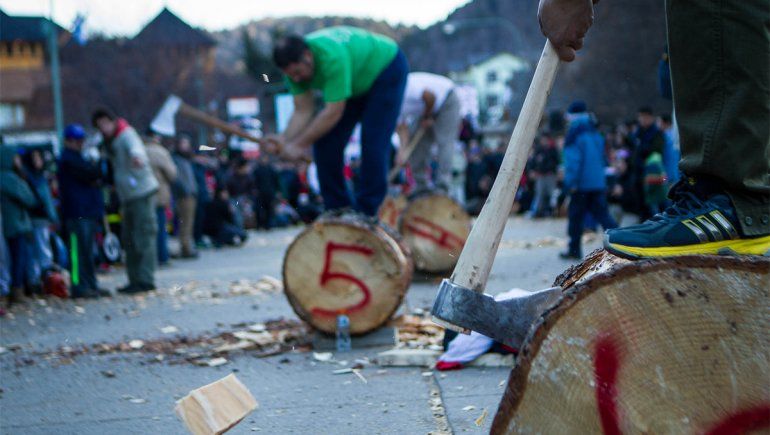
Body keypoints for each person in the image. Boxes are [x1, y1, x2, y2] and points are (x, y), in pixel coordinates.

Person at [539, 0, 770, 259]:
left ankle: (733, 203)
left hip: (611, 181)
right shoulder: (592, 134)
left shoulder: (581, 136)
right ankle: (729, 197)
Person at [269, 26, 409, 216]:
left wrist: (299, 144)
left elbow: (333, 113)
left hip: (386, 70)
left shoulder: (332, 57)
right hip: (354, 83)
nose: (296, 78)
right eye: (290, 75)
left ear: (307, 56)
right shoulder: (293, 73)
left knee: (373, 142)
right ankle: (337, 208)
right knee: (326, 142)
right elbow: (303, 110)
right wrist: (284, 139)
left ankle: (368, 211)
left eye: (298, 72)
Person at [92, 108, 159, 293]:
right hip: (127, 195)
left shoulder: (126, 134)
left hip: (140, 192)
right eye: (100, 126)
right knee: (129, 238)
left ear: (112, 121)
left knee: (143, 236)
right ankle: (135, 279)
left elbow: (136, 148)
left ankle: (145, 279)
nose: (104, 128)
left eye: (105, 123)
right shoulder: (109, 142)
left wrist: (138, 158)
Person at [560, 101, 618, 260]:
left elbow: (573, 162)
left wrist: (570, 183)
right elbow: (602, 158)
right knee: (603, 215)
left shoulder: (574, 134)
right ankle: (619, 243)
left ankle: (574, 250)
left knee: (576, 217)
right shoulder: (595, 131)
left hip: (581, 185)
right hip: (597, 182)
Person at [58, 124, 110, 298]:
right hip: (76, 212)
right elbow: (91, 174)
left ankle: (90, 284)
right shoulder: (68, 159)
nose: (79, 143)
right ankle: (79, 286)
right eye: (76, 140)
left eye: (80, 140)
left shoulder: (78, 157)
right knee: (77, 252)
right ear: (68, 141)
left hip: (86, 210)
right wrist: (97, 165)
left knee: (87, 251)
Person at [395, 72, 462, 192]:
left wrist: (427, 116)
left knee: (444, 141)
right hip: (426, 110)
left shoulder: (407, 87)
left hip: (446, 100)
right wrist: (402, 151)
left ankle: (443, 186)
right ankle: (421, 186)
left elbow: (430, 96)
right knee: (416, 141)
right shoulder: (392, 106)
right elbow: (402, 129)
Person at [23, 148, 59, 292]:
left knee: (42, 248)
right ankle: (39, 281)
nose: (38, 161)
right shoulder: (31, 178)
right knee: (39, 250)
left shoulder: (40, 177)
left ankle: (44, 280)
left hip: (42, 217)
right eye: (35, 158)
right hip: (36, 217)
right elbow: (39, 200)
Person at [144, 129, 177, 266]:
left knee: (147, 229)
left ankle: (150, 258)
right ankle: (162, 257)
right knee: (160, 227)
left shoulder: (141, 150)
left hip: (144, 195)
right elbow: (172, 174)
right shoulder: (160, 152)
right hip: (159, 193)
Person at [171, 135, 199, 258]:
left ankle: (186, 247)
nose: (185, 146)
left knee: (188, 222)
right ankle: (185, 248)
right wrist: (185, 190)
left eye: (186, 143)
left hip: (190, 194)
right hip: (184, 195)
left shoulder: (186, 159)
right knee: (185, 223)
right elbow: (177, 178)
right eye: (182, 143)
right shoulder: (176, 159)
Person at [530, 134, 561, 217]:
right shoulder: (538, 150)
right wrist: (532, 170)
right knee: (539, 194)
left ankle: (554, 212)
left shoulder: (552, 150)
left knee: (552, 195)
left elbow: (556, 162)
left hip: (550, 175)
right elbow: (533, 162)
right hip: (540, 175)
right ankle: (538, 212)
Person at [253, 153, 280, 230]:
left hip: (270, 192)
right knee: (259, 209)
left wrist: (277, 191)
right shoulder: (257, 170)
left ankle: (268, 225)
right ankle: (259, 225)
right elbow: (254, 181)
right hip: (260, 193)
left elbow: (276, 181)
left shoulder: (272, 170)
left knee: (269, 209)